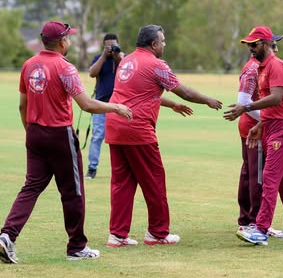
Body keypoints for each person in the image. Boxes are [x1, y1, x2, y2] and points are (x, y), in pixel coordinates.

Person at [0, 21, 132, 265]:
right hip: (59, 134)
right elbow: (87, 104)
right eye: (68, 39)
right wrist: (116, 107)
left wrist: (31, 131)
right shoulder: (64, 67)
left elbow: (22, 105)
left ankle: (6, 235)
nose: (69, 42)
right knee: (73, 192)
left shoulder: (28, 65)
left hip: (34, 133)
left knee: (30, 188)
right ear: (61, 42)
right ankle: (76, 247)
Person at [104, 24, 222, 248]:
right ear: (154, 44)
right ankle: (158, 233)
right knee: (154, 181)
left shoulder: (127, 60)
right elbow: (185, 91)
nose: (164, 44)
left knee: (122, 183)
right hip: (137, 129)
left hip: (115, 124)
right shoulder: (157, 65)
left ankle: (117, 235)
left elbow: (140, 93)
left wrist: (172, 105)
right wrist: (207, 99)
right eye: (163, 41)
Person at [224, 26, 283, 246]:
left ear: (267, 44)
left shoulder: (274, 66)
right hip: (266, 126)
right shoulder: (257, 68)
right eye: (249, 44)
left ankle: (261, 227)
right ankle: (280, 222)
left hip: (278, 126)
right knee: (271, 177)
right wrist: (260, 122)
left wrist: (250, 111)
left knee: (267, 177)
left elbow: (275, 98)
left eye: (254, 44)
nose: (251, 48)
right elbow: (256, 103)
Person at [85, 32, 125, 179]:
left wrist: (117, 56)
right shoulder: (99, 58)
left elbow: (128, 69)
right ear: (103, 46)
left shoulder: (124, 58)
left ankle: (122, 169)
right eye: (108, 46)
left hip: (120, 106)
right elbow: (92, 73)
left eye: (113, 45)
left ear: (118, 44)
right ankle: (92, 168)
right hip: (101, 104)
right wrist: (103, 56)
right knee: (97, 137)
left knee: (122, 138)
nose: (111, 48)